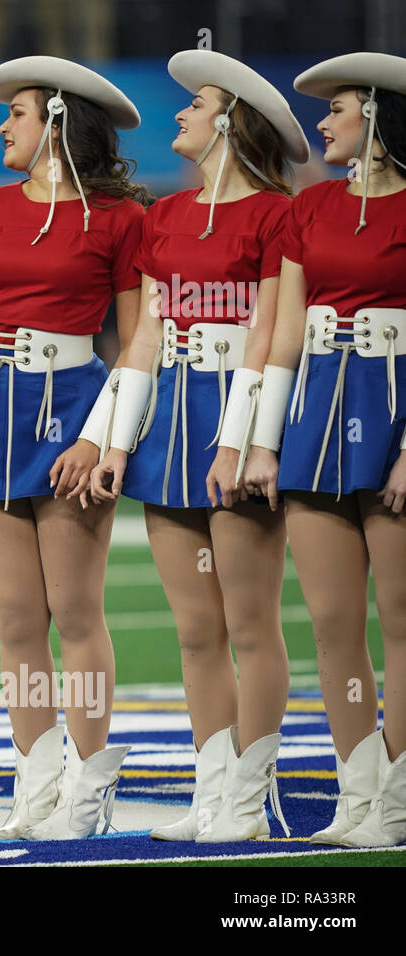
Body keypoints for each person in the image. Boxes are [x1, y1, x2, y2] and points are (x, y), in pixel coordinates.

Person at [0, 56, 150, 840]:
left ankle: (89, 784)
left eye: (15, 113)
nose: (2, 129)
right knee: (17, 619)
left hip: (72, 416)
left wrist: (99, 437)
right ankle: (37, 782)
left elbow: (136, 339)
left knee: (76, 613)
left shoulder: (122, 219)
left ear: (55, 120)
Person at [89, 51, 307, 842]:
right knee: (196, 629)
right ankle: (213, 793)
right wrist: (117, 439)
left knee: (250, 624)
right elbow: (144, 331)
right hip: (169, 420)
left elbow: (273, 333)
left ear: (231, 121)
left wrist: (246, 439)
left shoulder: (280, 214)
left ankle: (250, 798)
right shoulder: (163, 218)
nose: (179, 114)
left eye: (197, 103)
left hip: (234, 418)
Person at [242, 52, 406, 848]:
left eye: (337, 109)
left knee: (402, 625)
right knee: (333, 625)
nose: (323, 124)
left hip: (394, 411)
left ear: (376, 115)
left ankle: (400, 803)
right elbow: (279, 339)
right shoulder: (310, 211)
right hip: (315, 418)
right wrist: (265, 442)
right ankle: (359, 796)